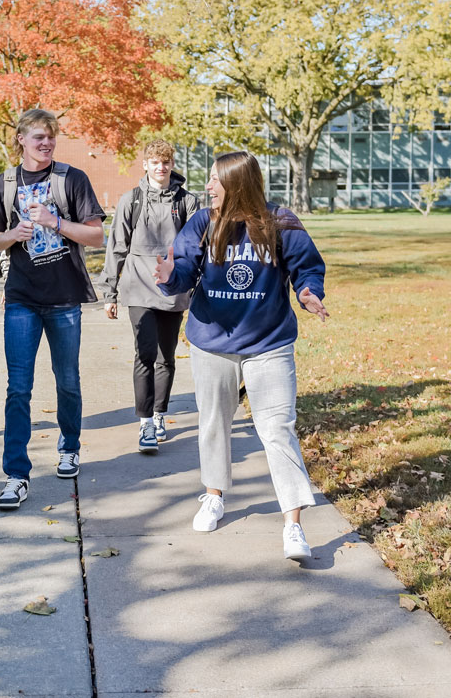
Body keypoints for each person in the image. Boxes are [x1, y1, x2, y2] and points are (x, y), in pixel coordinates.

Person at [154, 151, 328, 560]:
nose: (208, 187)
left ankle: (293, 526)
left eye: (215, 180)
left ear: (237, 183)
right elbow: (183, 268)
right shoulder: (203, 221)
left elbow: (307, 268)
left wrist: (308, 293)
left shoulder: (280, 222)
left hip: (269, 342)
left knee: (277, 429)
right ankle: (214, 495)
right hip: (213, 341)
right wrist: (168, 277)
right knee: (214, 423)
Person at [0, 109, 105, 510]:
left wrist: (56, 221)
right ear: (21, 139)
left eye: (51, 138)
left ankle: (70, 447)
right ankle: (16, 475)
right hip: (21, 299)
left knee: (67, 378)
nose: (46, 144)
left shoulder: (71, 179)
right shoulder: (3, 185)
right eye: (38, 138)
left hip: (64, 297)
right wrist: (11, 235)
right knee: (19, 387)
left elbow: (97, 235)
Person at [101, 139, 200, 453]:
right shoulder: (131, 200)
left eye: (166, 162)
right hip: (138, 287)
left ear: (172, 164)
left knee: (165, 357)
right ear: (144, 164)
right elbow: (116, 246)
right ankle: (144, 423)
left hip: (173, 287)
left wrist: (197, 287)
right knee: (144, 352)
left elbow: (198, 250)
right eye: (155, 162)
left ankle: (160, 414)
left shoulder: (188, 202)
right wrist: (109, 292)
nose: (161, 167)